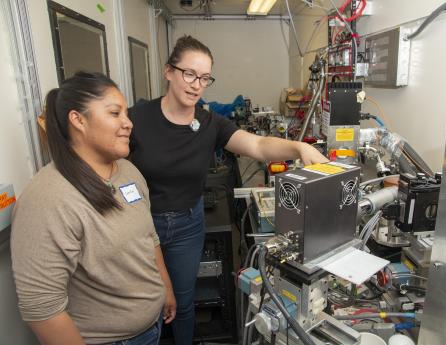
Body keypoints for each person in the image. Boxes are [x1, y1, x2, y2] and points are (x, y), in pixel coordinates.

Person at [128, 35, 329, 345]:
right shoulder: (136, 119)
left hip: (186, 225)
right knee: (145, 304)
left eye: (205, 77)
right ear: (169, 71)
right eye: (189, 74)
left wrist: (298, 146)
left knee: (182, 301)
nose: (197, 84)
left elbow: (258, 145)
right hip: (141, 226)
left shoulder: (210, 123)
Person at [11, 72, 176, 345]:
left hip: (150, 328)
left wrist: (165, 289)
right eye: (115, 113)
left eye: (126, 113)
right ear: (78, 120)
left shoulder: (127, 172)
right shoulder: (48, 198)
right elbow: (42, 310)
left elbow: (149, 238)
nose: (128, 123)